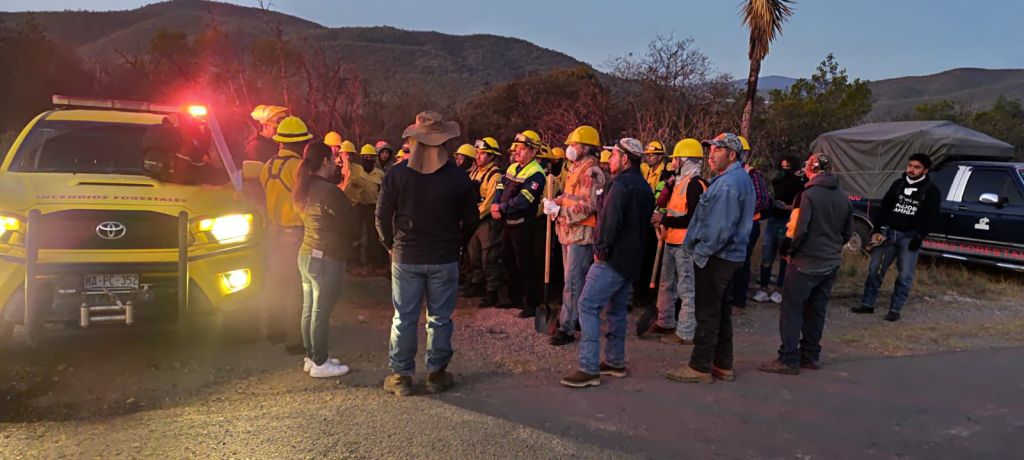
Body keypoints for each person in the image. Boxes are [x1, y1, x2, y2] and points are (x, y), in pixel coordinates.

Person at [377, 111, 478, 397]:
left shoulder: (395, 174)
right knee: (440, 318)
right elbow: (471, 219)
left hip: (406, 256)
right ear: (444, 142)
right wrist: (459, 244)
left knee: (403, 317)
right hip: (444, 257)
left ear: (414, 141)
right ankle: (436, 374)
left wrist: (389, 245)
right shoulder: (459, 177)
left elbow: (381, 216)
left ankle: (401, 377)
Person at [559, 138, 655, 388]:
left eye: (613, 155)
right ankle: (614, 361)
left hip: (612, 258)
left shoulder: (620, 185)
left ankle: (588, 368)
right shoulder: (644, 186)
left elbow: (609, 222)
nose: (609, 159)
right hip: (632, 259)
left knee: (587, 305)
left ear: (625, 158)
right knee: (616, 309)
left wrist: (600, 250)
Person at [665, 133, 754, 384]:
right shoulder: (736, 179)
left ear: (732, 154)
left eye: (717, 149)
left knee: (707, 313)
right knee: (721, 311)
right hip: (728, 256)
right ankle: (722, 364)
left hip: (717, 257)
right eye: (710, 149)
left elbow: (719, 229)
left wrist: (700, 253)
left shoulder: (728, 184)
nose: (710, 154)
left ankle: (700, 366)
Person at [759, 153, 852, 375]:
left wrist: (787, 251)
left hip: (805, 262)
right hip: (830, 263)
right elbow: (847, 233)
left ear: (810, 170)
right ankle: (811, 355)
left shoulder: (807, 195)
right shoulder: (844, 197)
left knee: (792, 310)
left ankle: (788, 358)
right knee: (817, 310)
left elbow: (797, 230)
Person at [292, 142, 357, 378]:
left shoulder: (306, 187)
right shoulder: (328, 191)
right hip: (326, 257)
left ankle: (312, 356)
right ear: (325, 162)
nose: (336, 163)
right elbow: (348, 222)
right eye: (333, 158)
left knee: (309, 309)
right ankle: (320, 362)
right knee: (321, 310)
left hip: (307, 254)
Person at [853, 153, 941, 322]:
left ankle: (895, 309)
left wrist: (919, 236)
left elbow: (931, 217)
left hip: (909, 238)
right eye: (910, 166)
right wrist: (877, 229)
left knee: (905, 275)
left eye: (917, 167)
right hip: (888, 235)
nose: (912, 170)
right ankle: (867, 304)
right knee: (875, 270)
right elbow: (884, 208)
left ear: (925, 170)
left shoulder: (931, 191)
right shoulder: (898, 184)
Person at [544, 125, 607, 346]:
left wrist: (560, 211)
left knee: (572, 282)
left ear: (586, 147)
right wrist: (556, 202)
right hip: (569, 233)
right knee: (570, 281)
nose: (570, 148)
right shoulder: (575, 168)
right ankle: (575, 318)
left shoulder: (592, 171)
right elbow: (570, 195)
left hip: (582, 235)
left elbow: (590, 205)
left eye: (574, 144)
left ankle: (567, 327)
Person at [259, 116, 313, 353]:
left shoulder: (267, 166)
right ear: (301, 143)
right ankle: (295, 339)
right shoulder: (299, 167)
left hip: (272, 232)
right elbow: (306, 199)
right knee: (297, 286)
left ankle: (275, 330)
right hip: (295, 233)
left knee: (275, 282)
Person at [647, 139, 707, 345]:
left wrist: (665, 220)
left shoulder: (695, 185)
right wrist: (666, 190)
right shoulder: (678, 182)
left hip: (685, 245)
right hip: (670, 240)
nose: (672, 161)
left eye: (675, 158)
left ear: (684, 159)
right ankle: (665, 321)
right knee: (666, 284)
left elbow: (692, 218)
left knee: (686, 289)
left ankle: (686, 332)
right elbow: (664, 204)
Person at [491, 130, 547, 319]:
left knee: (526, 264)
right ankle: (514, 298)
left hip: (523, 226)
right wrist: (495, 204)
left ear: (533, 151)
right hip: (508, 224)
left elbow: (525, 200)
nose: (517, 152)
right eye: (517, 149)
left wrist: (502, 207)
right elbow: (500, 186)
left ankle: (531, 303)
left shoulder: (537, 174)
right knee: (508, 260)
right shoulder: (512, 168)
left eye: (522, 149)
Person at [726, 136, 772, 315]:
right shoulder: (727, 175)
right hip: (733, 224)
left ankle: (738, 301)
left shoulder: (753, 174)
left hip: (748, 225)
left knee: (742, 263)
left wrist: (741, 211)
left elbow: (762, 199)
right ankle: (730, 297)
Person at [754, 156, 805, 304]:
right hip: (773, 218)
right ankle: (763, 288)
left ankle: (779, 289)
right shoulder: (775, 181)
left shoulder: (798, 183)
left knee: (784, 256)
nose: (785, 170)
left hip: (787, 220)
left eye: (787, 167)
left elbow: (799, 203)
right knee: (767, 255)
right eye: (782, 166)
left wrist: (788, 207)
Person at [463, 137, 504, 307]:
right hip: (473, 220)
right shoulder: (474, 172)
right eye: (477, 153)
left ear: (492, 156)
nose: (478, 157)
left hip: (486, 221)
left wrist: (473, 217)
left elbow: (489, 202)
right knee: (473, 255)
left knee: (489, 257)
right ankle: (476, 283)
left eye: (482, 154)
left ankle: (492, 291)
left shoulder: (495, 175)